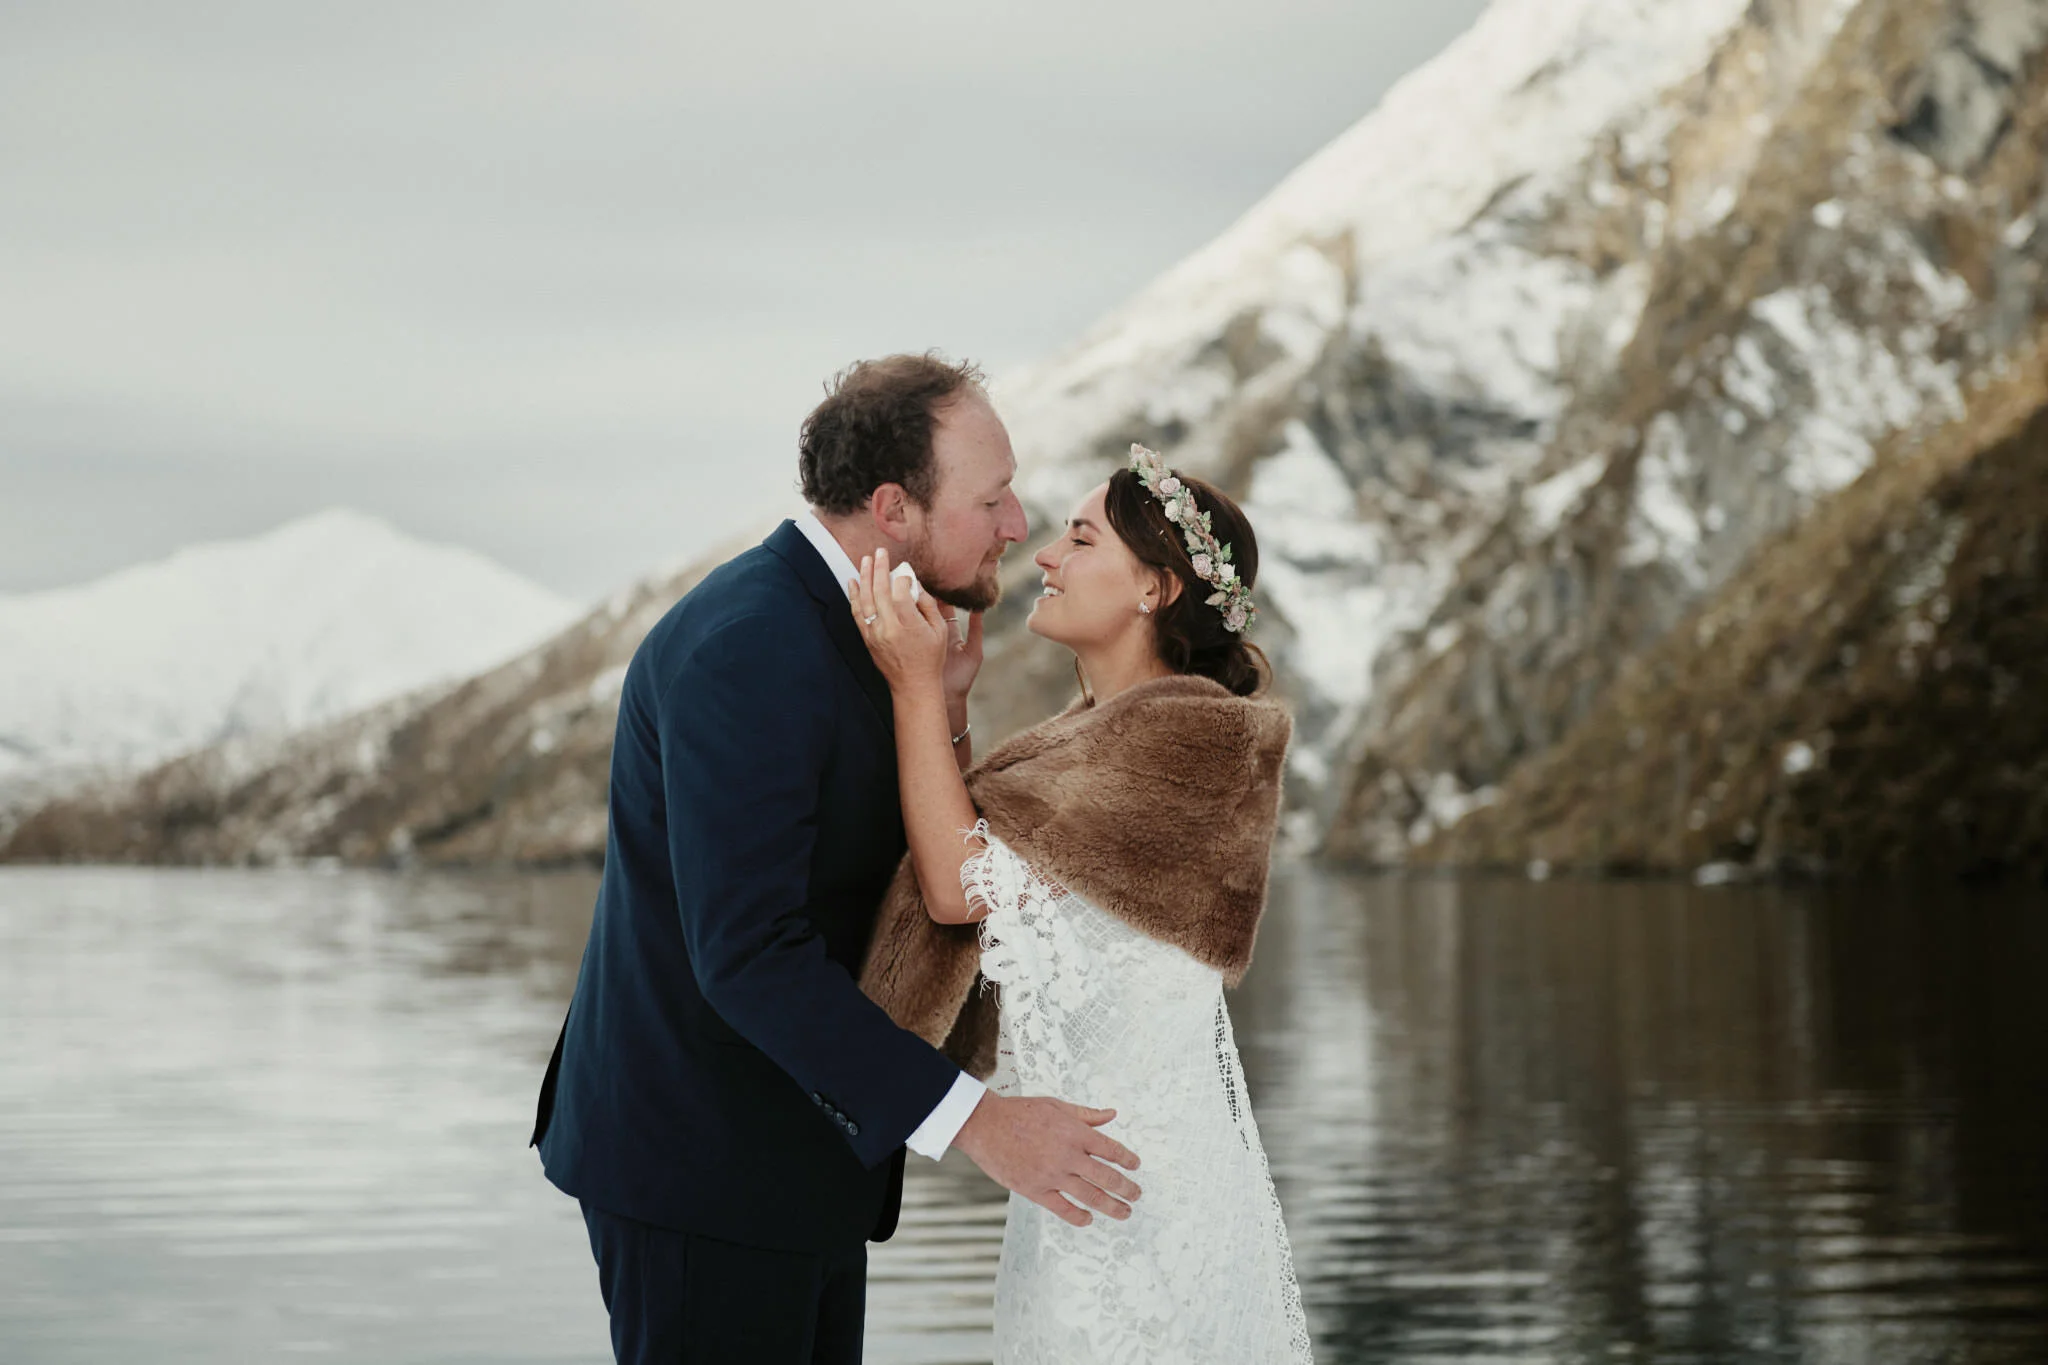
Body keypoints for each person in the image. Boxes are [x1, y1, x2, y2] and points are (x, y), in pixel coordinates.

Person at [530, 354, 1143, 1365]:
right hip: (701, 1171)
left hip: (793, 1161)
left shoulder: (868, 628)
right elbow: (748, 953)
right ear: (894, 507)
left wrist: (941, 709)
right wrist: (979, 1124)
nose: (1013, 522)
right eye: (989, 498)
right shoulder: (753, 645)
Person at [854, 444, 1313, 1363]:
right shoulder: (1099, 737)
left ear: (1156, 588)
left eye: (1080, 538)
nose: (1046, 559)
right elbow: (1013, 859)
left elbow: (959, 887)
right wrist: (947, 704)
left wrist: (908, 686)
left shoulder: (1193, 738)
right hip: (1075, 1174)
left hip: (1133, 1191)